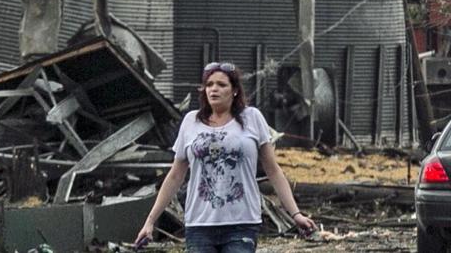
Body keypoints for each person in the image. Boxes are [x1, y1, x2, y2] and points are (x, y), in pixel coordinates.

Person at [135, 62, 316, 252]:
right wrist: (150, 222)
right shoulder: (191, 122)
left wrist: (295, 214)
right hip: (199, 225)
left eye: (221, 85)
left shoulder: (252, 118)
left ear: (235, 90)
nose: (214, 89)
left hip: (242, 223)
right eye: (210, 84)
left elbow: (273, 170)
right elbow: (174, 176)